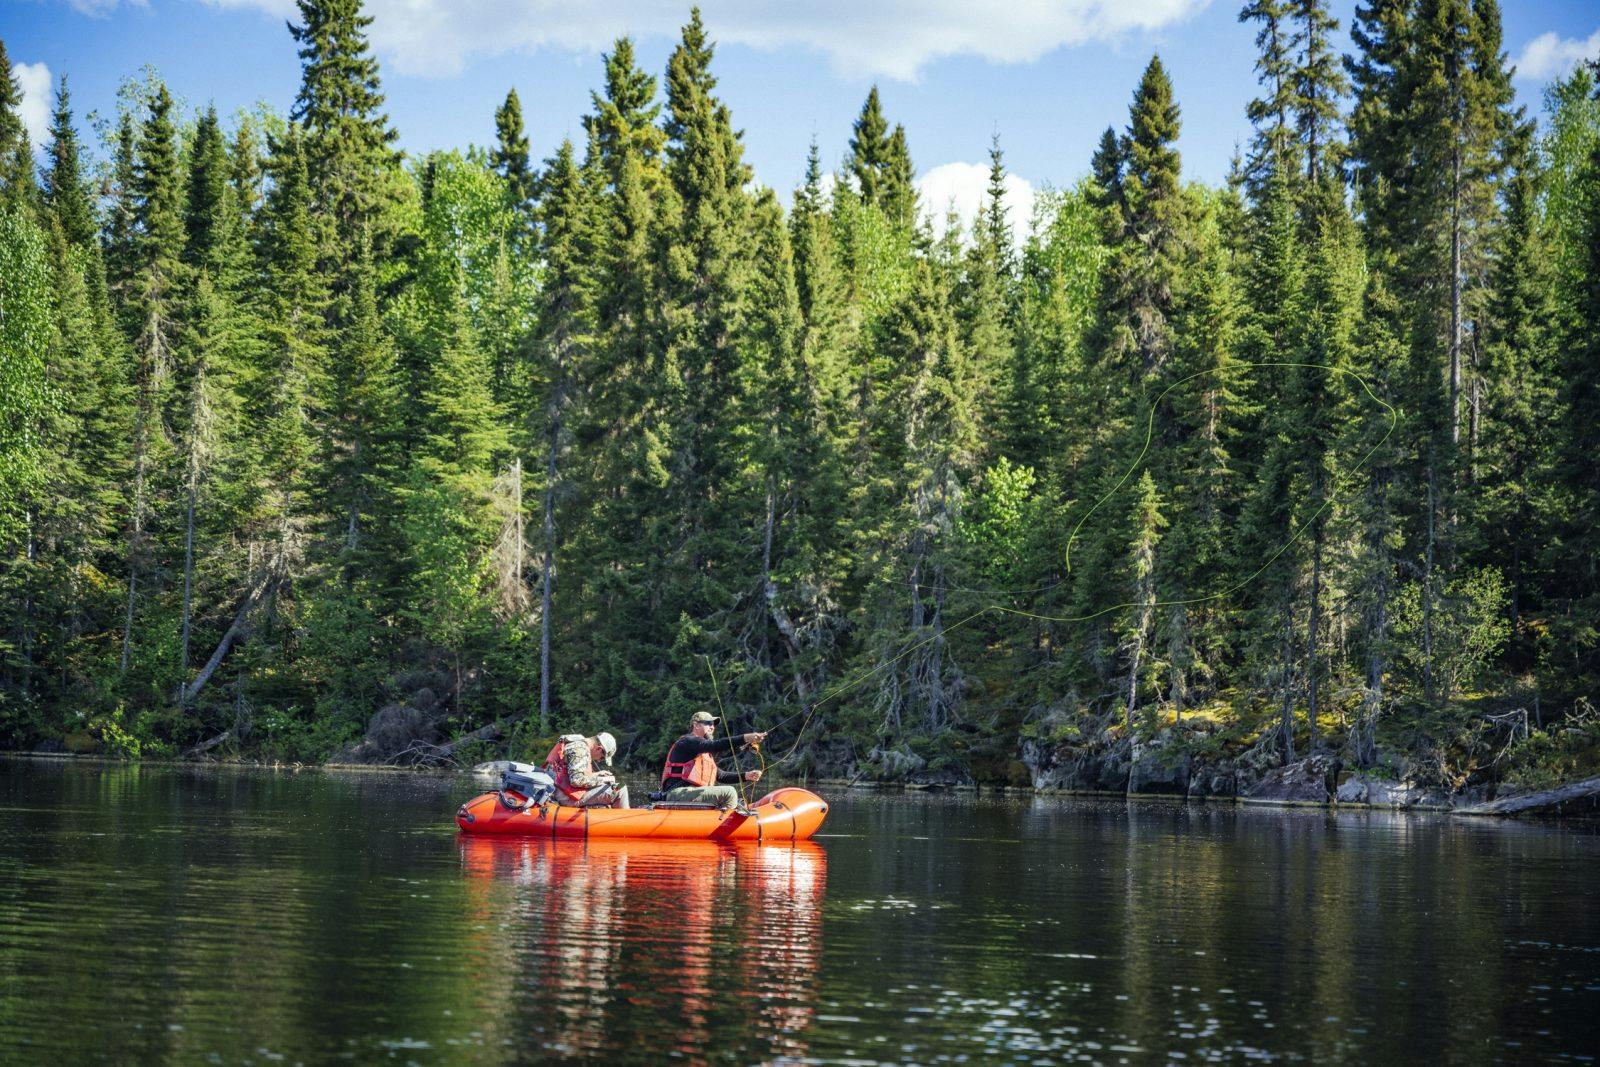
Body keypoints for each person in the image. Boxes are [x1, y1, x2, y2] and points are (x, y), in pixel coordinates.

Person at [659, 711, 766, 811]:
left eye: (713, 724)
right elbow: (715, 745)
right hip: (677, 793)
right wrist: (745, 737)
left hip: (689, 794)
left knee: (728, 793)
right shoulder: (687, 741)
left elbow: (721, 776)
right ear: (696, 725)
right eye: (708, 723)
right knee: (729, 792)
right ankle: (727, 824)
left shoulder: (702, 752)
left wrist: (746, 776)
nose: (712, 727)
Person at [545, 732, 630, 808]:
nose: (599, 760)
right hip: (567, 798)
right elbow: (576, 781)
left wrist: (597, 774)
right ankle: (625, 822)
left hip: (559, 792)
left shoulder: (577, 744)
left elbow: (571, 773)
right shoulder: (581, 751)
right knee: (620, 790)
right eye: (602, 757)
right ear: (599, 749)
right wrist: (604, 779)